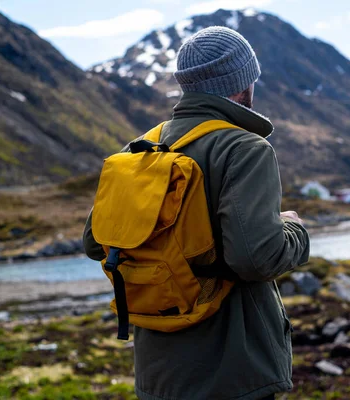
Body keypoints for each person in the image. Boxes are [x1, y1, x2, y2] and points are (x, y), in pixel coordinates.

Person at [83, 26, 310, 400]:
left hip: (158, 373)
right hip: (233, 370)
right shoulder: (245, 148)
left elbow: (97, 244)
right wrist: (294, 230)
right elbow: (255, 258)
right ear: (243, 83)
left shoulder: (139, 149)